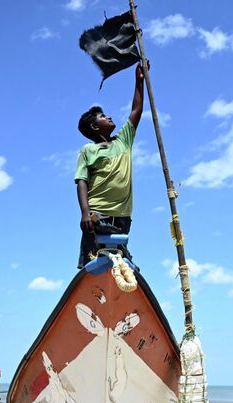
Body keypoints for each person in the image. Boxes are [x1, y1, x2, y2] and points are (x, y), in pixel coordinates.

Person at [75, 63, 146, 269]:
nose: (110, 117)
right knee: (94, 266)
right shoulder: (89, 150)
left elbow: (136, 110)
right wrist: (85, 213)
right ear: (95, 127)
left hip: (122, 216)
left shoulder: (123, 141)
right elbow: (81, 181)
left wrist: (139, 81)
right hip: (98, 215)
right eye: (104, 117)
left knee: (120, 266)